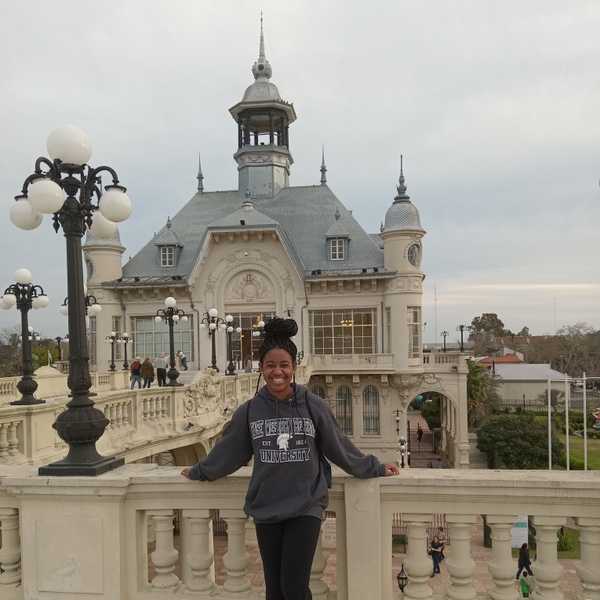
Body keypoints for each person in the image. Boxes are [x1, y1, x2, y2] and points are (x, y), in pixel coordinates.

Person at [181, 317, 399, 600]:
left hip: (304, 506)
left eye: (284, 365)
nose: (277, 372)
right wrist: (199, 470)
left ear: (294, 368)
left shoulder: (312, 405)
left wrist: (375, 467)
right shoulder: (249, 411)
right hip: (266, 506)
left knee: (294, 588)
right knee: (274, 590)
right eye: (270, 365)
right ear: (262, 368)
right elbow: (230, 451)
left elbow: (338, 446)